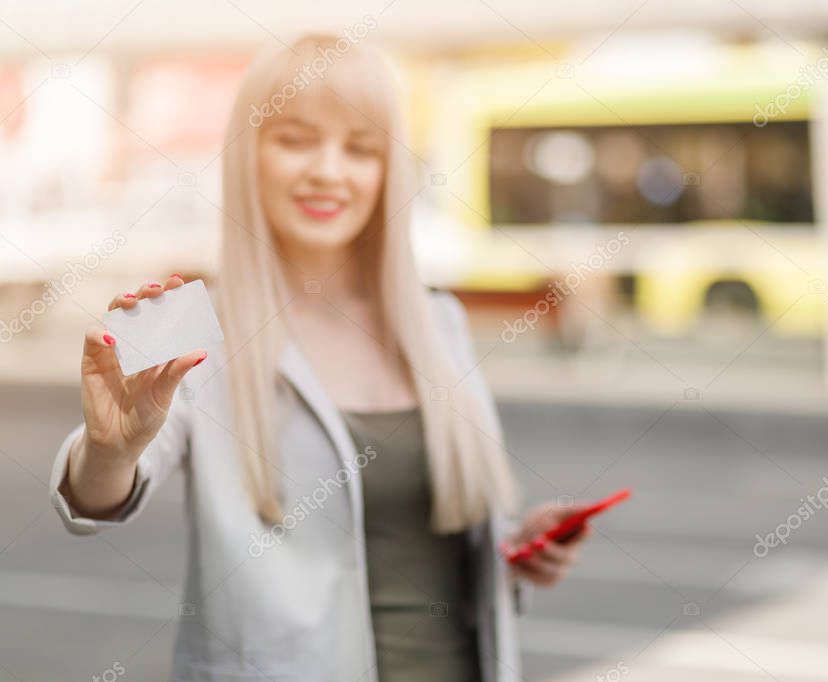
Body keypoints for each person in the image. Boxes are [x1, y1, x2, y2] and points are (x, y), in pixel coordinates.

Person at [48, 33, 591, 682]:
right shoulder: (196, 330)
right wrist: (109, 451)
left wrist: (516, 547)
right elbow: (93, 502)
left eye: (360, 147)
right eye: (296, 138)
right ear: (247, 155)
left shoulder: (436, 321)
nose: (329, 171)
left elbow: (416, 551)